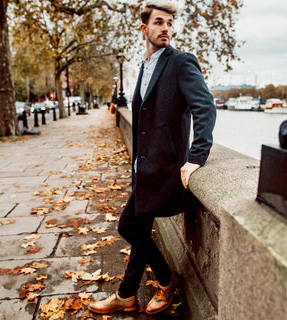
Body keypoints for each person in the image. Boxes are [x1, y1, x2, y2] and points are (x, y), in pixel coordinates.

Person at [89, 0, 216, 315]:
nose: (166, 29)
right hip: (142, 167)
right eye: (159, 22)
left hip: (164, 168)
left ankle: (166, 278)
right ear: (144, 28)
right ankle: (126, 295)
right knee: (140, 231)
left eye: (170, 23)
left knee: (128, 227)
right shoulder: (146, 66)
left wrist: (196, 156)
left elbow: (205, 107)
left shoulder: (182, 62)